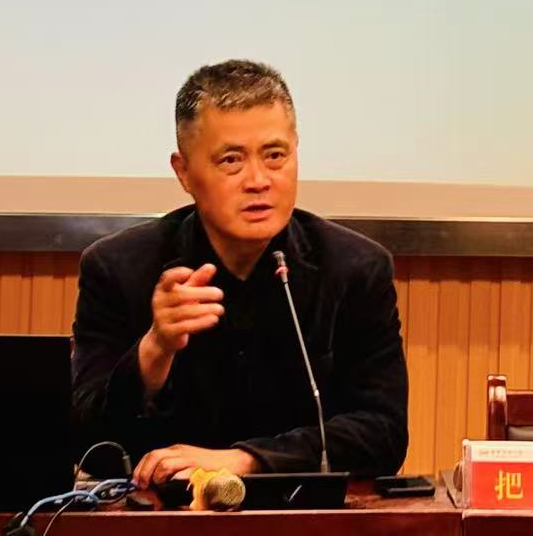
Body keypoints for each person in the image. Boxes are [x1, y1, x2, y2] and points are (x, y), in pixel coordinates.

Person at [70, 60, 409, 485]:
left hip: (301, 515)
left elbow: (383, 434)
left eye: (275, 156)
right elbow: (88, 444)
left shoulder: (355, 269)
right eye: (231, 160)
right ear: (184, 172)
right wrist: (155, 349)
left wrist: (247, 461)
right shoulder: (118, 269)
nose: (258, 180)